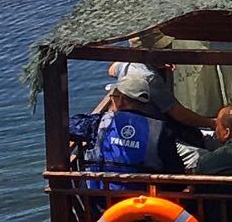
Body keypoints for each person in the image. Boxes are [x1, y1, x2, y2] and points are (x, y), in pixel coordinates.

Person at [88, 58, 217, 175]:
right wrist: (212, 123)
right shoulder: (149, 78)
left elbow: (111, 69)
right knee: (200, 158)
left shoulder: (129, 64)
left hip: (113, 182)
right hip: (152, 135)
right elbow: (178, 113)